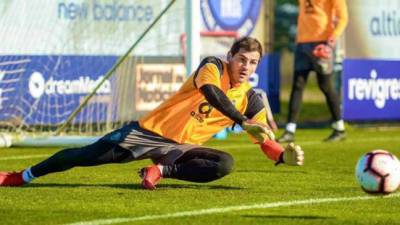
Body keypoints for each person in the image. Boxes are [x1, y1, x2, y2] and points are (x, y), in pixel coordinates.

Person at [0, 37, 304, 190]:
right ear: (230, 58)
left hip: (182, 148)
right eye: (241, 59)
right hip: (147, 132)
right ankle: (22, 176)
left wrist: (281, 156)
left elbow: (264, 139)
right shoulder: (212, 65)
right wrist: (241, 122)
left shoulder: (251, 101)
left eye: (252, 62)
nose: (246, 67)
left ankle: (159, 171)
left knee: (225, 163)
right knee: (84, 155)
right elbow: (212, 93)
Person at [278, 0, 348, 143]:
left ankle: (339, 128)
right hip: (302, 43)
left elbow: (343, 18)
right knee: (297, 85)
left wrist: (332, 39)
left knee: (325, 86)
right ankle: (290, 130)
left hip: (322, 43)